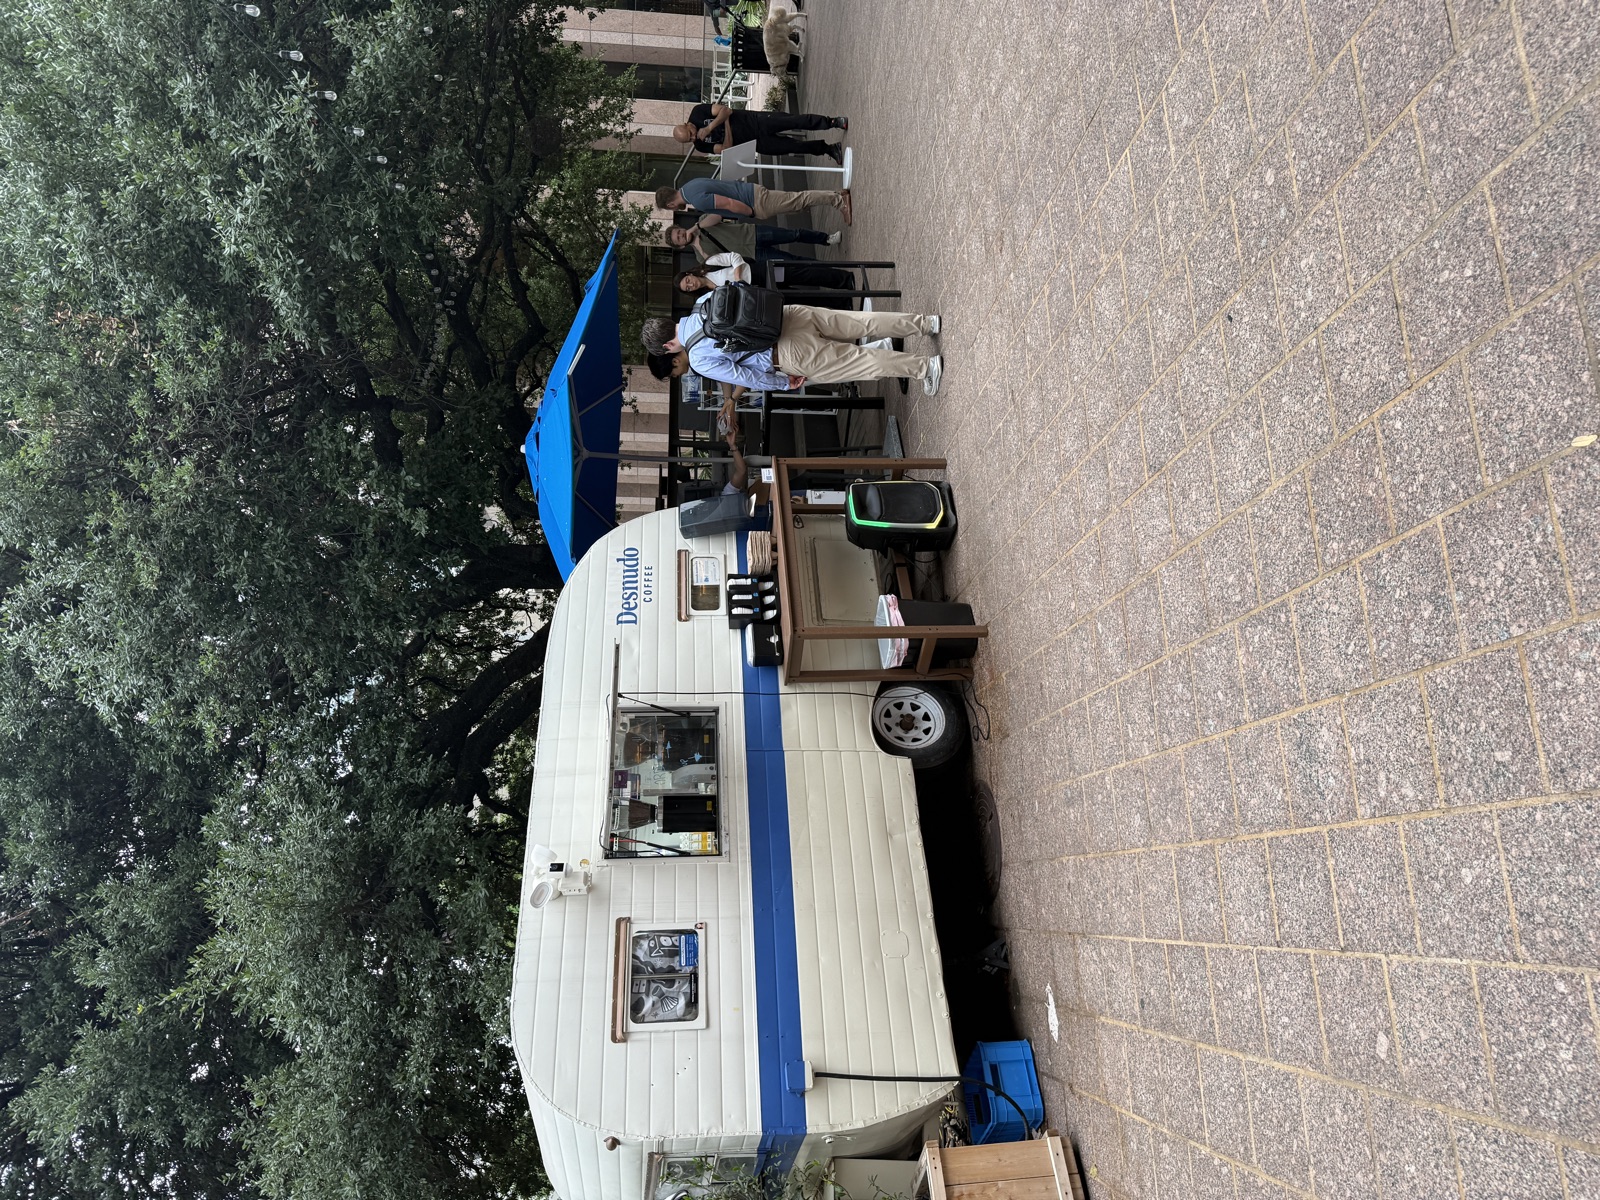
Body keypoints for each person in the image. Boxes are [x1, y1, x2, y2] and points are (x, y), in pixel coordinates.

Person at [640, 305, 944, 396]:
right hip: (787, 315)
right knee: (861, 323)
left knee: (859, 362)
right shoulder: (702, 305)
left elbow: (744, 375)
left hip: (783, 353)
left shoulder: (698, 358)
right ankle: (925, 323)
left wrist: (784, 382)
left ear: (667, 347)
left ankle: (924, 367)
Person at [673, 102, 847, 163]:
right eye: (690, 140)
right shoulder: (700, 145)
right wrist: (725, 121)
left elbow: (726, 109)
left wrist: (710, 128)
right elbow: (727, 149)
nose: (694, 137)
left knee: (794, 121)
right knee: (792, 146)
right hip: (754, 144)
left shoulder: (697, 113)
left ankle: (831, 122)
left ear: (686, 124)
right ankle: (827, 149)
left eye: (691, 133)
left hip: (756, 121)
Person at [656, 178, 851, 227]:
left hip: (754, 201)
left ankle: (838, 200)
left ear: (671, 205)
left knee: (798, 200)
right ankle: (835, 195)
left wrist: (749, 212)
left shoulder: (696, 200)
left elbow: (728, 204)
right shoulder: (690, 186)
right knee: (797, 202)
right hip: (752, 194)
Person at [668, 220, 838, 265]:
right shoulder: (700, 257)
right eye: (679, 238)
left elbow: (716, 217)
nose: (682, 235)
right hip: (753, 255)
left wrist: (696, 227)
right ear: (681, 246)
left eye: (679, 232)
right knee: (792, 261)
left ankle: (826, 239)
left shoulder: (701, 222)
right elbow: (716, 263)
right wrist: (698, 245)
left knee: (793, 234)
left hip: (753, 233)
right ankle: (827, 266)